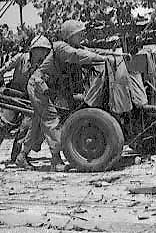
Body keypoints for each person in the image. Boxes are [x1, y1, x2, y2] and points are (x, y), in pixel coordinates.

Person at [16, 20, 105, 172]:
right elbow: (77, 55)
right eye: (78, 34)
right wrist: (101, 59)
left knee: (38, 123)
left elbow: (89, 51)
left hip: (44, 87)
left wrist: (106, 54)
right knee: (52, 121)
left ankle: (21, 156)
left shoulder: (73, 47)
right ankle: (56, 161)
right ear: (70, 35)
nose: (82, 36)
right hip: (39, 86)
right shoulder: (60, 47)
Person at [0, 35, 52, 163]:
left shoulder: (44, 66)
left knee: (26, 127)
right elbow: (1, 71)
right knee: (4, 126)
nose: (43, 53)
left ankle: (17, 155)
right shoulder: (20, 58)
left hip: (29, 98)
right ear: (33, 50)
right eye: (41, 50)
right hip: (13, 95)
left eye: (46, 51)